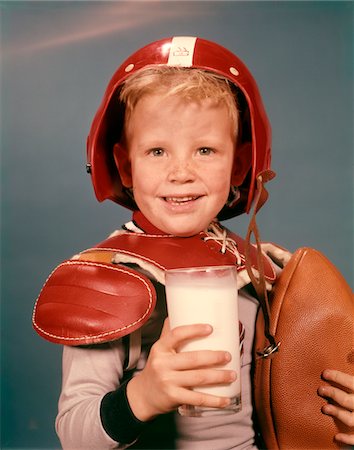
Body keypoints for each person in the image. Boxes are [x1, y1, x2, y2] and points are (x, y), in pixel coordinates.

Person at [33, 37, 354, 449]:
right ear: (124, 165)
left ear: (239, 165)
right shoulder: (105, 278)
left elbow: (296, 403)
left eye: (205, 149)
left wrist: (338, 418)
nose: (181, 172)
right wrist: (143, 396)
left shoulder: (265, 274)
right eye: (156, 151)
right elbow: (76, 436)